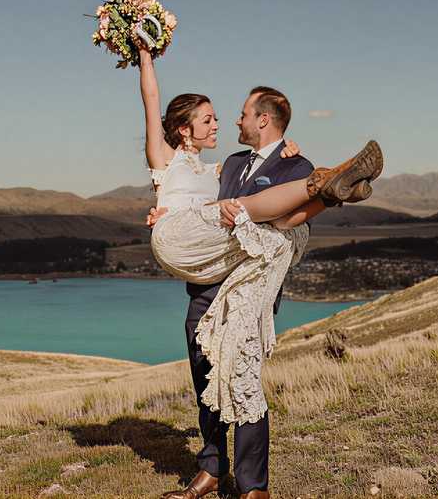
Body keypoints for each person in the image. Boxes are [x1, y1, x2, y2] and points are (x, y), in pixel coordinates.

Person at [134, 44, 383, 499]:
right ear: (184, 128)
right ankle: (211, 469)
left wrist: (304, 184)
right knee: (203, 374)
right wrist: (165, 214)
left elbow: (289, 221)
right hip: (205, 282)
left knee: (243, 376)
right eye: (210, 118)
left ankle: (253, 487)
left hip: (248, 286)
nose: (229, 122)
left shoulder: (294, 162)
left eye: (238, 114)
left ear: (263, 119)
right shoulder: (226, 165)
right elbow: (155, 115)